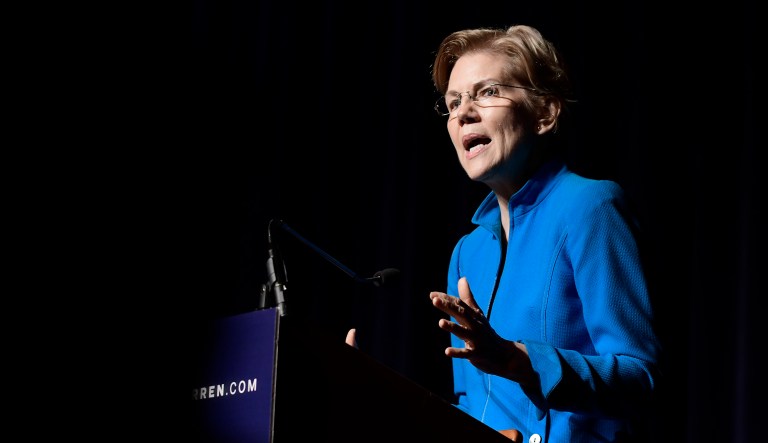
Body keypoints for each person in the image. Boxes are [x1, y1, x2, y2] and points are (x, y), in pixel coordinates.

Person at [349, 24, 662, 443]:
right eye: (453, 102)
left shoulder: (590, 207)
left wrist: (519, 361)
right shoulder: (467, 252)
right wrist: (380, 400)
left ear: (544, 114)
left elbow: (641, 377)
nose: (463, 112)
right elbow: (472, 409)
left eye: (487, 92)